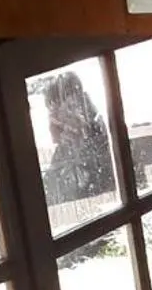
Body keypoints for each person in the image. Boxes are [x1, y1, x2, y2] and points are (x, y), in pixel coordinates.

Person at [41, 72, 116, 206]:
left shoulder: (102, 140)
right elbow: (49, 194)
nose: (54, 120)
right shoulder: (64, 150)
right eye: (52, 113)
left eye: (69, 107)